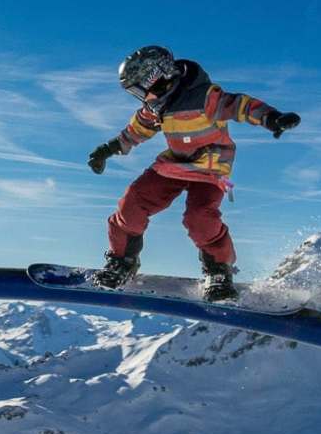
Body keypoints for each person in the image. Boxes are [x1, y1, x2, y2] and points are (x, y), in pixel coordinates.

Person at [86, 45, 299, 300]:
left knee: (200, 217)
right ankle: (122, 261)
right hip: (174, 164)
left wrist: (272, 118)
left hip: (211, 167)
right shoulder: (156, 106)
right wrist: (108, 149)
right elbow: (137, 130)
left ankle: (218, 270)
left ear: (158, 77)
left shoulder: (204, 98)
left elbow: (240, 106)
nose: (141, 97)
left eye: (140, 89)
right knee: (133, 201)